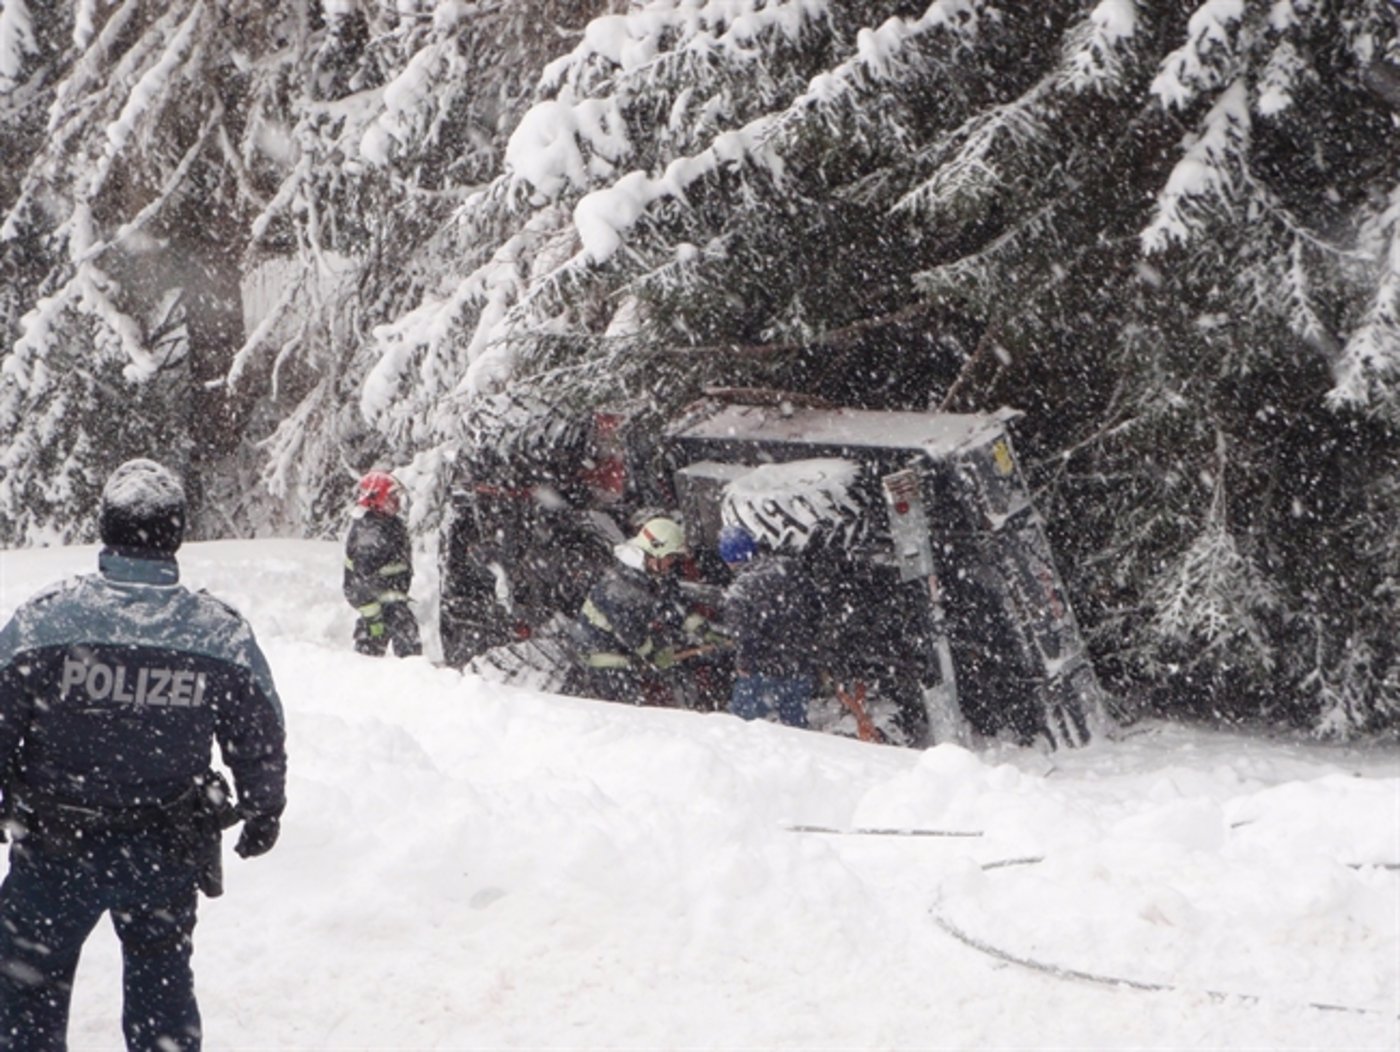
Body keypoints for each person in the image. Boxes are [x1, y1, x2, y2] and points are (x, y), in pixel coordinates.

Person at [0, 458, 288, 1052]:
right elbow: (257, 728)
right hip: (163, 852)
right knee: (162, 989)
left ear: (105, 527)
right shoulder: (217, 633)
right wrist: (263, 807)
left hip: (55, 849)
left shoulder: (45, 621)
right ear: (176, 533)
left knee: (27, 992)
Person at [567, 516, 696, 704]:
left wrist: (696, 626)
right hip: (603, 657)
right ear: (655, 552)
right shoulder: (623, 587)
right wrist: (654, 653)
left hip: (618, 649)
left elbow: (669, 602)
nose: (672, 564)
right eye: (670, 557)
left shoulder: (646, 575)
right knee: (629, 714)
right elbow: (632, 632)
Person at [719, 523, 821, 728]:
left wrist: (744, 662)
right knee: (795, 725)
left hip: (764, 668)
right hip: (799, 662)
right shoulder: (788, 568)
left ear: (729, 560)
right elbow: (815, 608)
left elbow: (743, 633)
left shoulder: (739, 591)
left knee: (739, 725)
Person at [344, 470, 422, 657]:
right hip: (377, 601)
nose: (396, 502)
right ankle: (410, 671)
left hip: (390, 596)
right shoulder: (369, 534)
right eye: (391, 497)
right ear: (376, 498)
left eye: (396, 497)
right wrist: (373, 616)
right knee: (392, 632)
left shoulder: (387, 523)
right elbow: (360, 580)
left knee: (392, 633)